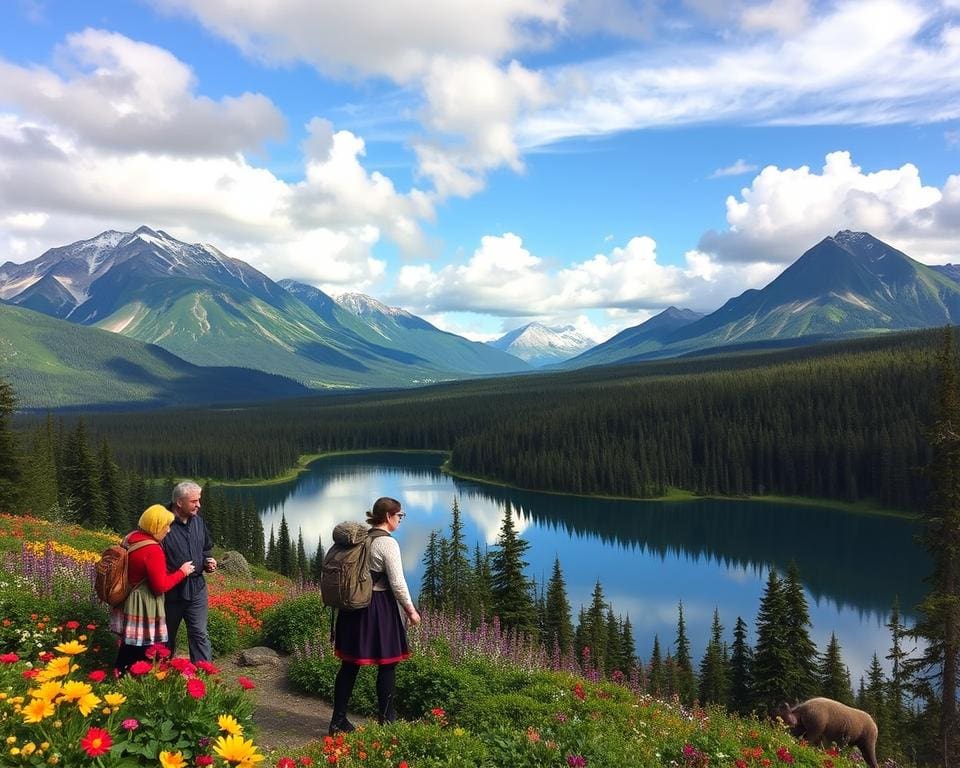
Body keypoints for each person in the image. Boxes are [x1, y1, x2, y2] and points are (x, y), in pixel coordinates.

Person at [330, 496, 422, 734]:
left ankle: (338, 721)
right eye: (400, 516)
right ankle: (387, 722)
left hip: (351, 608)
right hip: (378, 608)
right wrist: (411, 611)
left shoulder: (360, 539)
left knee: (349, 666)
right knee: (388, 664)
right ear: (389, 516)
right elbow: (398, 583)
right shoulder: (388, 543)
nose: (400, 520)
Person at [111, 504, 196, 674]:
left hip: (126, 597)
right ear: (156, 526)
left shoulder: (131, 538)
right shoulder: (152, 549)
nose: (169, 531)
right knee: (145, 647)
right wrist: (182, 572)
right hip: (143, 604)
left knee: (129, 643)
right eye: (166, 526)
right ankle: (140, 680)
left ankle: (119, 673)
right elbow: (160, 587)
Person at [162, 480, 217, 662]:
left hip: (197, 589)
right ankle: (161, 679)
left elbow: (206, 547)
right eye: (194, 501)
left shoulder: (198, 522)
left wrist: (208, 561)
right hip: (171, 592)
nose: (198, 505)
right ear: (179, 502)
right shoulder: (162, 523)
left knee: (199, 634)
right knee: (166, 638)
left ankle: (203, 678)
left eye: (198, 500)